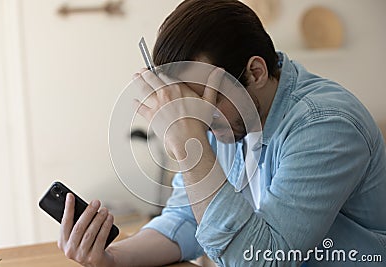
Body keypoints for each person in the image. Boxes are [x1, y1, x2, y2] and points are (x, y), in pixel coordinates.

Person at [57, 0, 386, 266]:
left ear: (255, 72)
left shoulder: (325, 126)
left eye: (205, 101)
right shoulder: (227, 115)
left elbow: (262, 261)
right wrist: (112, 258)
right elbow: (187, 218)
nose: (199, 120)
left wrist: (188, 144)